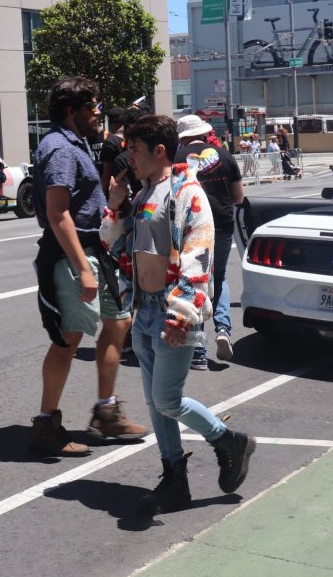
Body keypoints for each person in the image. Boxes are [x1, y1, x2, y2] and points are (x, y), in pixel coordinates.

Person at [101, 114, 255, 515]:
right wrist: (115, 209)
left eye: (136, 150)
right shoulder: (142, 194)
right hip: (144, 310)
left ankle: (228, 441)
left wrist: (182, 314)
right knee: (156, 404)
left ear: (159, 151)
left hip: (171, 310)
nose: (130, 158)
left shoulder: (188, 193)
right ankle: (174, 479)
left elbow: (199, 255)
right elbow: (117, 249)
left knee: (167, 400)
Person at [30, 76, 147, 457]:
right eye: (93, 107)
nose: (99, 113)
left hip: (94, 249)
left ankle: (106, 412)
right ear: (72, 110)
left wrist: (109, 200)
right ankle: (46, 424)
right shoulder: (59, 149)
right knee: (68, 339)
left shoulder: (74, 143)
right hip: (73, 255)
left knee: (118, 324)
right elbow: (57, 213)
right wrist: (82, 268)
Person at [174, 114, 244, 368]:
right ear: (204, 132)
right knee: (219, 277)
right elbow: (238, 197)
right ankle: (223, 329)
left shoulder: (176, 158)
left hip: (192, 228)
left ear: (183, 137)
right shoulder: (225, 155)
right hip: (222, 224)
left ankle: (198, 351)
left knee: (195, 281)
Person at [99, 106, 127, 194]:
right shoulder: (131, 138)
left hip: (115, 191)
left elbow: (106, 175)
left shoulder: (110, 143)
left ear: (111, 123)